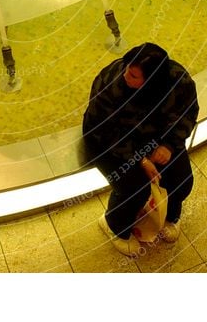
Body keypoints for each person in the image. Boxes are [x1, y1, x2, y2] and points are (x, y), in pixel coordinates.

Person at [83, 42, 199, 257]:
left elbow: (187, 113)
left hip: (156, 138)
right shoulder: (112, 83)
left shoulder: (178, 81)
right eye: (128, 69)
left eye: (134, 76)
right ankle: (114, 225)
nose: (127, 75)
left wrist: (169, 144)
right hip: (111, 142)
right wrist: (140, 159)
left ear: (152, 81)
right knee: (135, 188)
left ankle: (171, 215)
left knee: (181, 179)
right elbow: (103, 129)